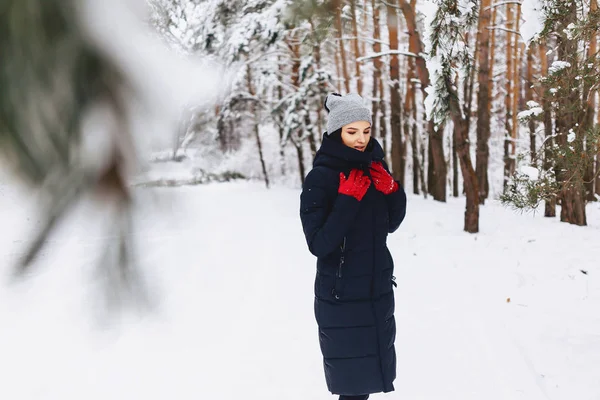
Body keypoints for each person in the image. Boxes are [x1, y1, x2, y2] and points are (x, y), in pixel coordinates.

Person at [299, 93, 407, 400]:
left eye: (366, 131)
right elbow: (319, 244)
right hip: (342, 296)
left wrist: (392, 191)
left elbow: (389, 224)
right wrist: (346, 201)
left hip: (376, 289)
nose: (361, 139)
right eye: (352, 131)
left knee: (368, 380)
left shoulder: (374, 168)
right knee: (353, 386)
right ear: (336, 132)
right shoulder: (320, 178)